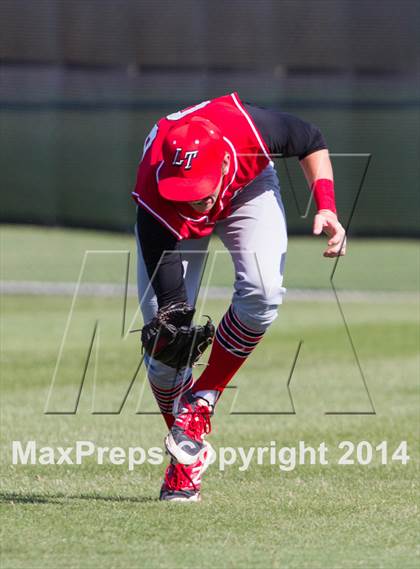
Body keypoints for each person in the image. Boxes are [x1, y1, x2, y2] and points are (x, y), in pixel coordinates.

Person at [132, 92, 346, 502]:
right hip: (166, 221)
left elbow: (312, 139)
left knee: (263, 292)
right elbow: (174, 310)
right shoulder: (158, 193)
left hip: (247, 189)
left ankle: (202, 401)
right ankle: (185, 463)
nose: (194, 198)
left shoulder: (249, 133)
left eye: (199, 190)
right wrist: (174, 328)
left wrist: (327, 206)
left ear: (225, 163)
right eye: (185, 190)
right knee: (165, 349)